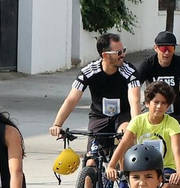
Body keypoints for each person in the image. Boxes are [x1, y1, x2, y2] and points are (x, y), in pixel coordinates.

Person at [49, 32, 142, 180]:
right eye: (118, 52)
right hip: (99, 117)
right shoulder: (89, 71)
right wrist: (57, 124)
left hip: (122, 115)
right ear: (105, 55)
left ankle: (124, 183)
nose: (123, 55)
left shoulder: (129, 71)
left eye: (123, 50)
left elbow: (134, 100)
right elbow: (71, 99)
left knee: (125, 137)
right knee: (90, 162)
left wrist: (136, 126)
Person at [108, 81, 180, 188]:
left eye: (164, 103)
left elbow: (176, 149)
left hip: (166, 167)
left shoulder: (172, 123)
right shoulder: (138, 121)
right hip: (142, 167)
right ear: (147, 103)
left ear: (168, 106)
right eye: (156, 102)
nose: (159, 106)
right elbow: (123, 143)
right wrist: (111, 166)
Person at [132, 31, 180, 134]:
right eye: (163, 48)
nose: (167, 53)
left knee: (175, 141)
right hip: (153, 111)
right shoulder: (148, 64)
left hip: (176, 113)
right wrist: (135, 118)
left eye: (170, 49)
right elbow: (134, 88)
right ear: (156, 48)